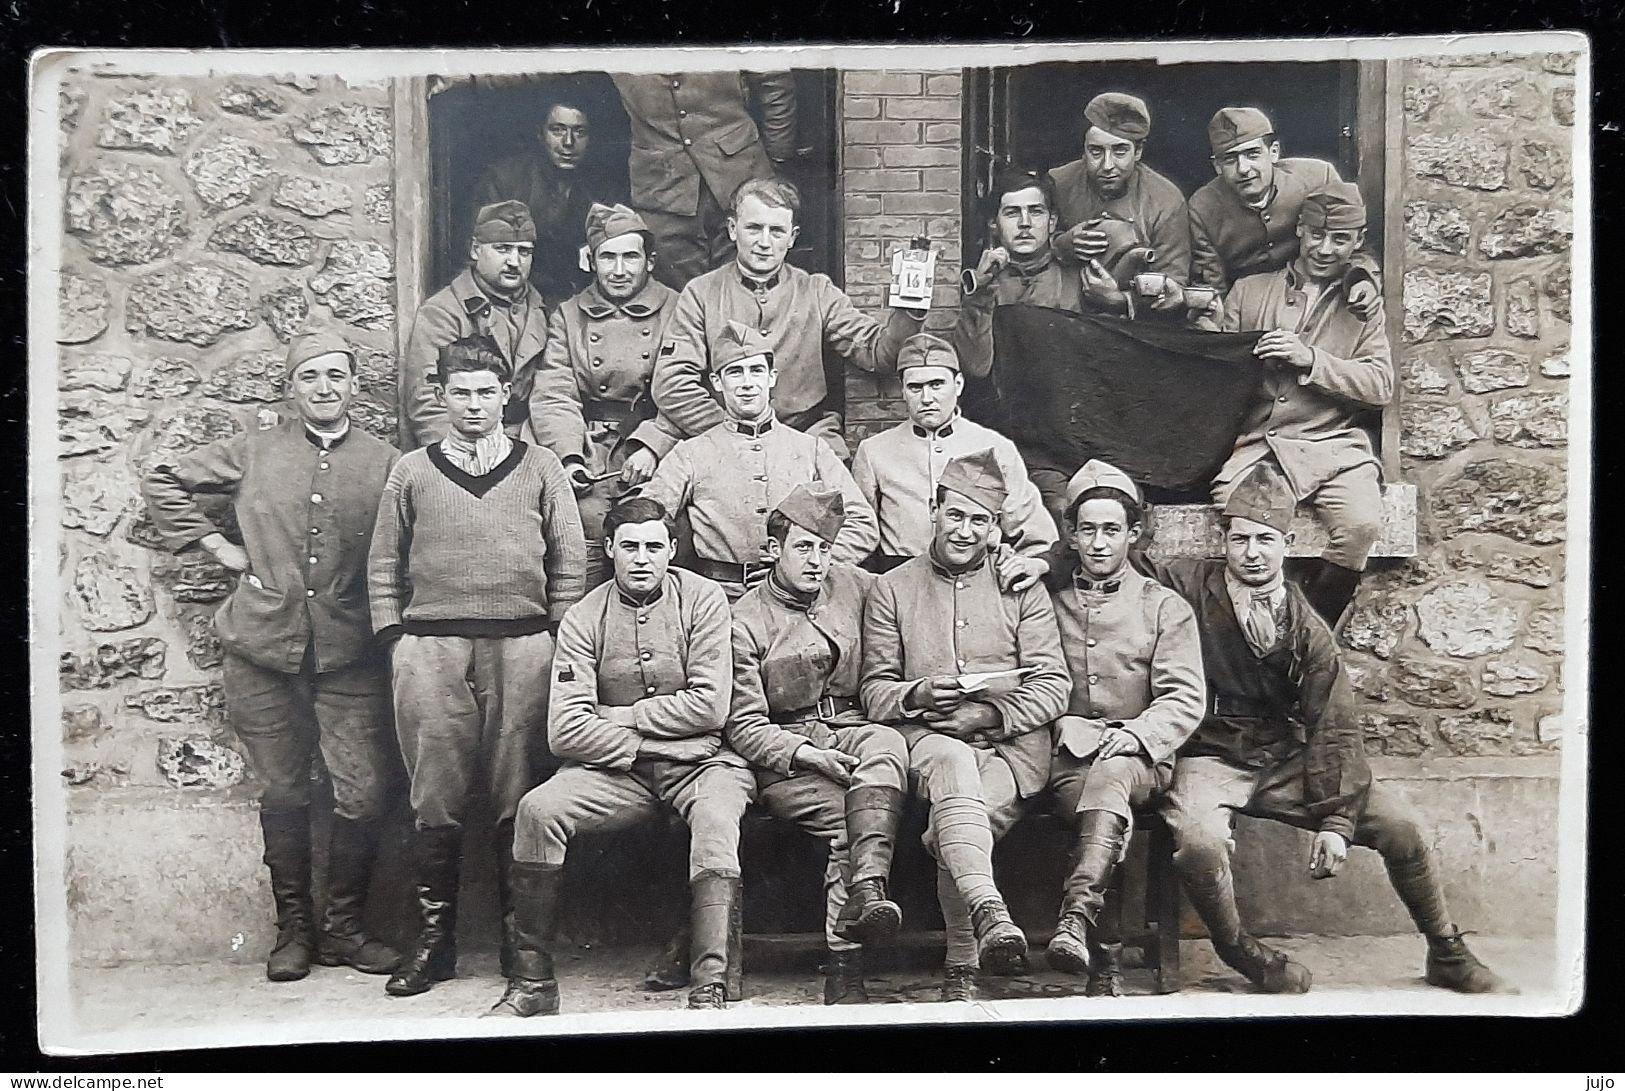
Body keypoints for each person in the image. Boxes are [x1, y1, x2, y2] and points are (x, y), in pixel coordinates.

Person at [1146, 466, 1509, 996]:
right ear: (1222, 541)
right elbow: (1116, 557)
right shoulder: (1187, 585)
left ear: (1286, 544)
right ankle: (1244, 955)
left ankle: (1446, 950)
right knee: (1200, 844)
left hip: (1282, 756)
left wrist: (1336, 822)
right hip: (1208, 755)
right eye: (1240, 538)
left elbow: (1333, 725)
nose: (1251, 552)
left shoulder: (1306, 624)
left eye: (1265, 540)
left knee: (1401, 826)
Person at [141, 331, 403, 983]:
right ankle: (295, 930)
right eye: (309, 376)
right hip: (259, 648)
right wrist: (215, 545)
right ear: (291, 387)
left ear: (353, 384)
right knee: (284, 788)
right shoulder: (253, 450)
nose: (323, 387)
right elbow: (164, 475)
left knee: (364, 791)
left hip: (350, 652)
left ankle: (344, 928)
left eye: (335, 375)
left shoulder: (387, 462)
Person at [367, 335, 587, 999]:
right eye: (459, 391)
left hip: (521, 646)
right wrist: (396, 640)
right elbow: (383, 561)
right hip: (431, 647)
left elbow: (569, 558)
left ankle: (523, 943)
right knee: (433, 790)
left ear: (505, 396)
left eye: (485, 392)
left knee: (516, 790)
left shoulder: (540, 464)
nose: (472, 404)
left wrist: (555, 638)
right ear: (440, 395)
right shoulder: (413, 469)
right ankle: (435, 942)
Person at [497, 497, 755, 1015]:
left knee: (715, 817)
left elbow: (710, 706)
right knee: (538, 811)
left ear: (672, 550)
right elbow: (566, 730)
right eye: (630, 547)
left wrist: (621, 715)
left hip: (705, 765)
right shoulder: (583, 617)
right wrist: (654, 741)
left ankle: (711, 980)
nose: (642, 559)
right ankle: (533, 982)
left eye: (654, 547)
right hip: (620, 772)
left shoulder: (703, 599)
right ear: (610, 549)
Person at [859, 450, 1070, 1003]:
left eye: (980, 520)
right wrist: (917, 693)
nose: (965, 530)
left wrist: (992, 714)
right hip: (928, 744)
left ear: (996, 528)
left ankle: (962, 961)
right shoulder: (893, 588)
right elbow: (874, 691)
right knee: (953, 771)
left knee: (954, 823)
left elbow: (1054, 686)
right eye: (956, 515)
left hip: (1010, 752)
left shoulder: (1021, 588)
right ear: (935, 509)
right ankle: (986, 921)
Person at [725, 485, 911, 1005]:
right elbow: (743, 725)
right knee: (849, 823)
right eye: (803, 547)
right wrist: (809, 756)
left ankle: (868, 890)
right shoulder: (744, 619)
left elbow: (918, 583)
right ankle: (845, 971)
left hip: (852, 730)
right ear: (774, 550)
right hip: (786, 757)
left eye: (825, 549)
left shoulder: (853, 585)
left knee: (890, 743)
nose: (816, 561)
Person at [1042, 459, 1205, 997]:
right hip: (1067, 759)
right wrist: (1062, 721)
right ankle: (1102, 952)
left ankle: (1077, 915)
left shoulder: (1164, 608)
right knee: (1104, 812)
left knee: (1112, 779)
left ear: (1133, 534)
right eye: (1087, 529)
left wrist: (1136, 735)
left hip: (1141, 759)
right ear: (1071, 534)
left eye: (1112, 530)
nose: (1098, 542)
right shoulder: (1047, 604)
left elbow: (1185, 698)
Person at [1206, 182, 1394, 626]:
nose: (1325, 249)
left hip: (1334, 448)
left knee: (1362, 524)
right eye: (1316, 235)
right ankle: (1254, 640)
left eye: (1340, 239)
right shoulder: (1249, 292)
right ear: (1301, 232)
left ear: (1358, 241)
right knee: (1248, 530)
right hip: (1261, 449)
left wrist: (1311, 359)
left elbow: (1380, 385)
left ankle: (1310, 634)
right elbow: (1214, 379)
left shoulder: (1362, 306)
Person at [651, 177, 927, 459]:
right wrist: (729, 430)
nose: (764, 243)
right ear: (733, 230)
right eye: (754, 229)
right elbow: (672, 383)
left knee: (833, 494)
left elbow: (877, 353)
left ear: (792, 237)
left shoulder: (816, 290)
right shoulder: (700, 294)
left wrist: (909, 310)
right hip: (725, 438)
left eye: (777, 231)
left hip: (806, 434)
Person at [641, 320, 879, 602]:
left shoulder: (811, 449)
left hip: (797, 602)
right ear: (717, 382)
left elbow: (862, 525)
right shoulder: (690, 454)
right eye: (735, 373)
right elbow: (644, 521)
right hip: (720, 601)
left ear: (771, 377)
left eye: (756, 371)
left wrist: (802, 566)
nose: (747, 383)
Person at [529, 202, 684, 589]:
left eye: (630, 257)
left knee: (659, 529)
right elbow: (555, 393)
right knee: (580, 533)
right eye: (608, 257)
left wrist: (653, 445)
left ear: (649, 261)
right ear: (590, 260)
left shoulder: (677, 308)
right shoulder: (568, 315)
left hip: (659, 443)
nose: (618, 269)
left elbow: (686, 388)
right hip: (591, 448)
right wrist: (568, 458)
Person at [851, 332, 1056, 587]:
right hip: (901, 583)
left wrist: (1030, 563)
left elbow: (1035, 533)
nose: (926, 398)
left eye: (937, 384)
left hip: (977, 582)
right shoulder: (874, 451)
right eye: (915, 387)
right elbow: (859, 532)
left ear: (958, 385)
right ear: (903, 390)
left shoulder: (994, 447)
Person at [611, 71, 798, 289]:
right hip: (660, 190)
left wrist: (777, 160)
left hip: (741, 177)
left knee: (747, 286)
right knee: (677, 293)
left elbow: (775, 83)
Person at [1188, 106, 1381, 314]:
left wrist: (1362, 278)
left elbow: (1352, 242)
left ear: (1273, 152)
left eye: (1252, 154)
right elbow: (1212, 283)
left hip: (1316, 296)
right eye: (1230, 159)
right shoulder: (1203, 208)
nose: (1243, 169)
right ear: (1217, 166)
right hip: (1248, 307)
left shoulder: (1317, 178)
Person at [400, 201, 550, 450]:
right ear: (475, 250)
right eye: (502, 249)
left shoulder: (544, 310)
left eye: (524, 252)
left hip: (529, 444)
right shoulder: (443, 313)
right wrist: (462, 462)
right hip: (466, 446)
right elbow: (428, 403)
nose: (514, 262)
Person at [471, 94, 626, 302]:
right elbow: (477, 256)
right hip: (516, 300)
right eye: (558, 130)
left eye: (579, 132)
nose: (568, 142)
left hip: (584, 300)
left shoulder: (604, 186)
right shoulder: (505, 180)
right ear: (540, 134)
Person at [1046, 92, 1191, 314]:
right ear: (1084, 149)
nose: (1107, 165)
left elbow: (1174, 288)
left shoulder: (1166, 201)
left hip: (1132, 325)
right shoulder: (1057, 183)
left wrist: (1121, 301)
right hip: (1062, 312)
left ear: (1138, 151)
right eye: (1096, 151)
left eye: (1120, 151)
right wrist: (1061, 244)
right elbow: (1025, 252)